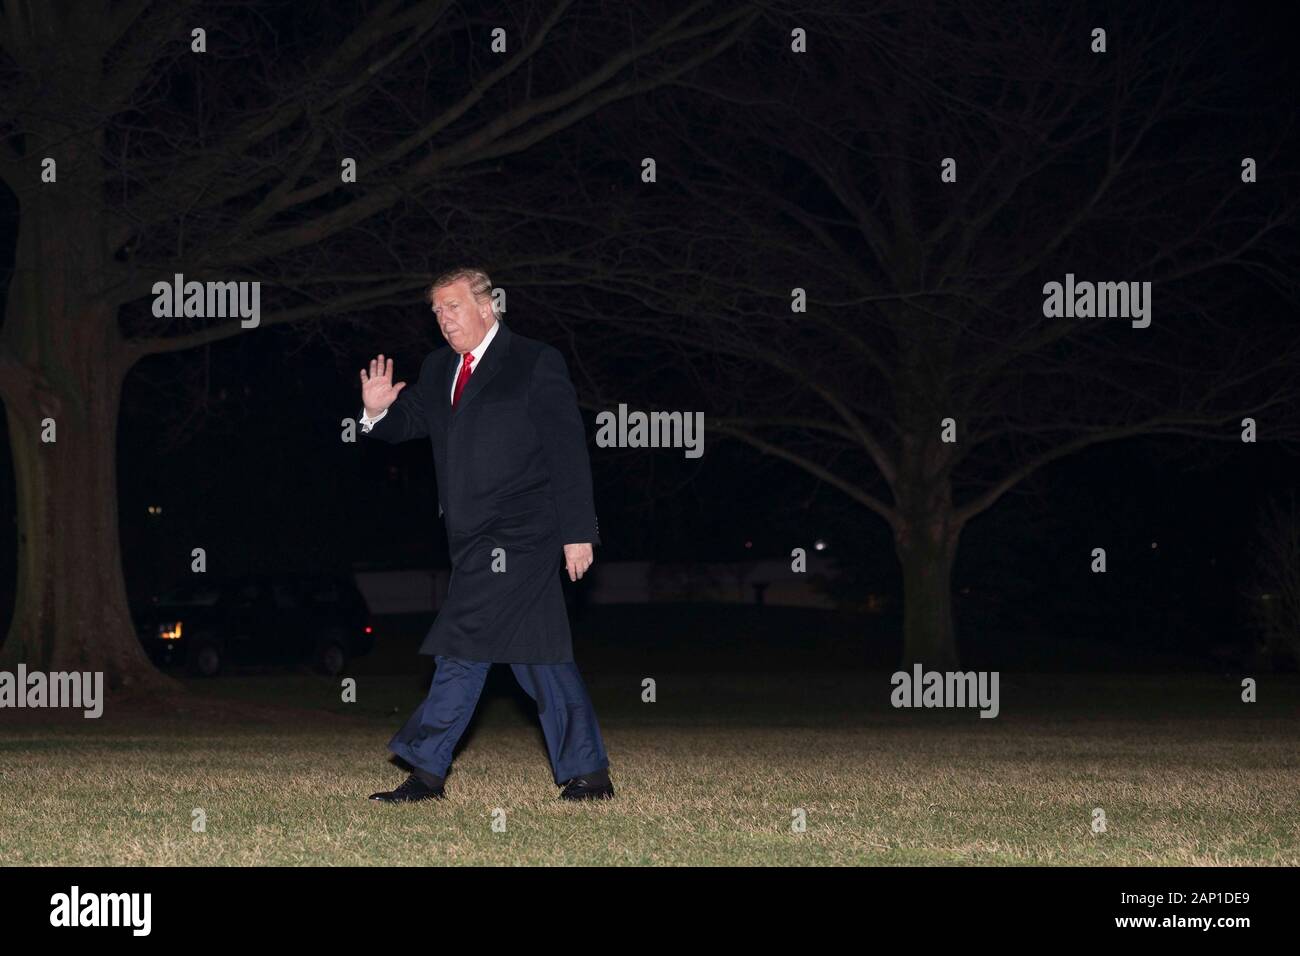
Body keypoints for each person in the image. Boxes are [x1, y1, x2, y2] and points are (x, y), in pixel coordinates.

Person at [358, 266, 613, 802]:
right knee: (537, 654)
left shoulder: (534, 362)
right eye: (436, 310)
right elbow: (409, 424)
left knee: (463, 641)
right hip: (469, 539)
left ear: (487, 305)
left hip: (523, 532)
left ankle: (425, 769)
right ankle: (588, 772)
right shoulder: (436, 368)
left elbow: (567, 451)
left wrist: (577, 531)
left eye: (452, 305)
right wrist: (376, 412)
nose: (442, 317)